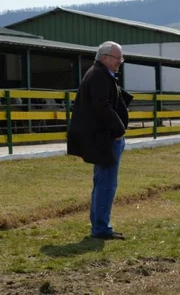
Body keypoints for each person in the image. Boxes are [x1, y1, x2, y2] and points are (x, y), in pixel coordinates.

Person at [67, 41, 133, 240]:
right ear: (104, 57)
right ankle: (101, 228)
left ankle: (100, 225)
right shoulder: (98, 76)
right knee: (106, 184)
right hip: (105, 139)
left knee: (102, 183)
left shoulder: (101, 74)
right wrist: (119, 129)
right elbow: (102, 106)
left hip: (103, 137)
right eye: (117, 58)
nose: (120, 62)